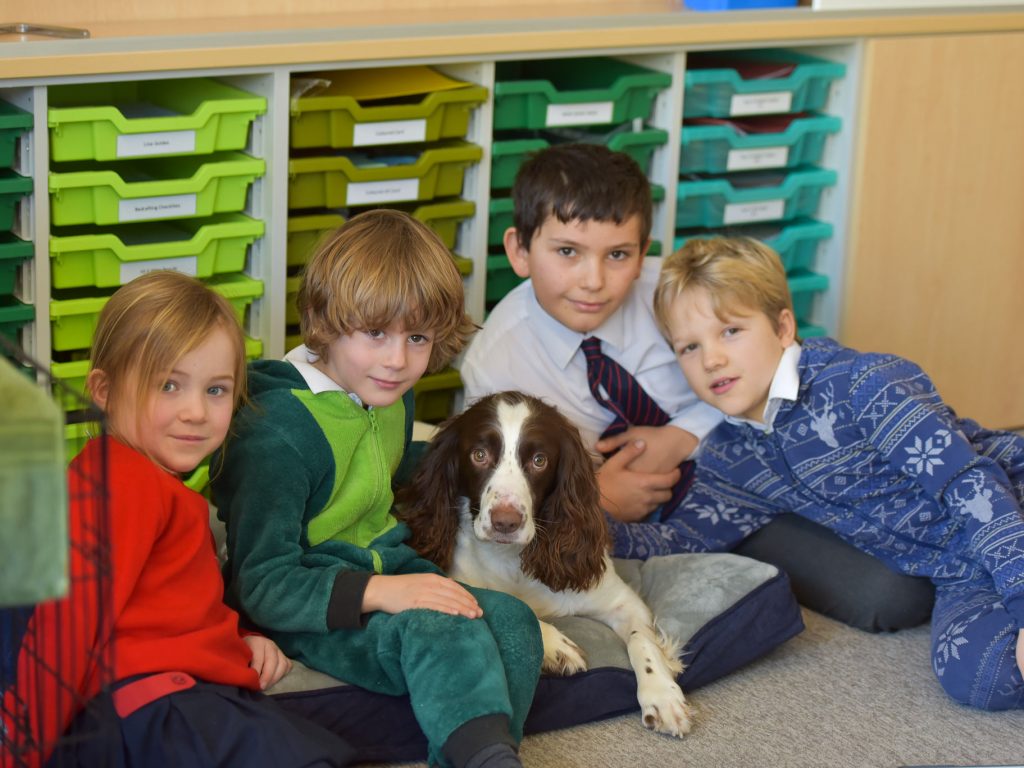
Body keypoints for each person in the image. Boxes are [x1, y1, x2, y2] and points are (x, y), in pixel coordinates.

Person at [460, 141, 935, 633]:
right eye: (567, 252)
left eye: (618, 254)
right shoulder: (496, 364)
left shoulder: (673, 290)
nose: (593, 280)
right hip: (663, 515)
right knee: (891, 596)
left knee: (912, 530)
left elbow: (782, 361)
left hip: (763, 463)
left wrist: (686, 433)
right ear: (519, 250)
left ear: (644, 253)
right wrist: (594, 498)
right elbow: (495, 490)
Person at [211, 209, 543, 768]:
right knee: (445, 635)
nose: (397, 360)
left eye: (417, 337)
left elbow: (376, 469)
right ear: (322, 320)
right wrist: (382, 594)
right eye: (375, 334)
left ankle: (474, 754)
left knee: (514, 623)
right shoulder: (276, 435)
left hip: (390, 567)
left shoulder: (381, 390)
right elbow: (260, 585)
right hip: (312, 606)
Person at [651, 235, 1024, 709]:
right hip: (958, 570)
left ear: (783, 327)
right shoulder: (731, 454)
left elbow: (971, 486)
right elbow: (681, 540)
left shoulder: (864, 384)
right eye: (688, 347)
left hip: (1010, 507)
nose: (711, 360)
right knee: (978, 674)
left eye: (730, 332)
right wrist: (567, 527)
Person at [1, 270, 354, 768]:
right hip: (154, 710)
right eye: (168, 385)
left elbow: (168, 606)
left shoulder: (143, 481)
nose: (195, 411)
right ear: (103, 391)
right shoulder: (122, 483)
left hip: (165, 701)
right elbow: (67, 622)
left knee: (342, 730)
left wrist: (235, 639)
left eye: (216, 390)